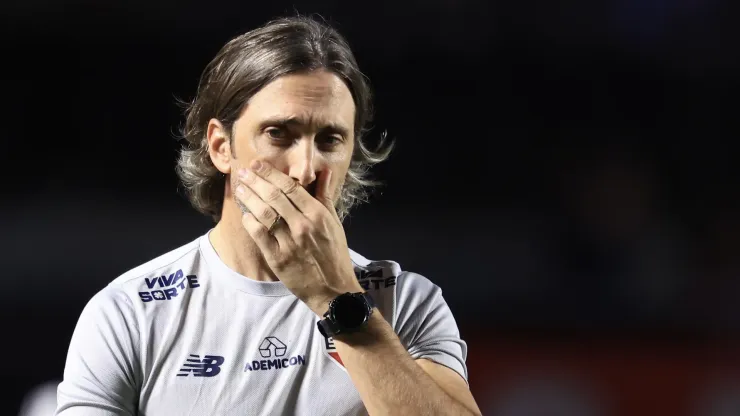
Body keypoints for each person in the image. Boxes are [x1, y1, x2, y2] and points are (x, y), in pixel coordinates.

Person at [56, 15, 481, 416]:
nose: (305, 169)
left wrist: (338, 301)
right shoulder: (129, 312)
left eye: (330, 139)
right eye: (279, 134)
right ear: (221, 147)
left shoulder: (405, 302)